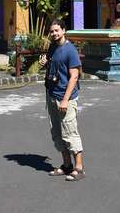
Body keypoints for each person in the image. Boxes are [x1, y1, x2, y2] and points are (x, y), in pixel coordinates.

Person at [38, 19, 85, 181]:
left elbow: (74, 76)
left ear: (64, 30)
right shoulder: (52, 47)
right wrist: (45, 63)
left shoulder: (70, 50)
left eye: (57, 30)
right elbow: (53, 66)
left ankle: (79, 168)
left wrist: (65, 100)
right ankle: (66, 166)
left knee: (70, 131)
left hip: (66, 97)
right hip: (52, 94)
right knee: (57, 132)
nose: (54, 34)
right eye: (52, 31)